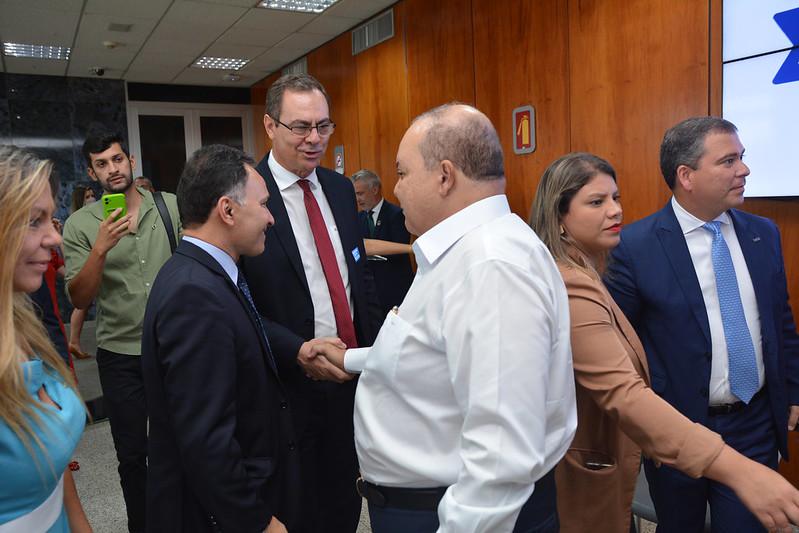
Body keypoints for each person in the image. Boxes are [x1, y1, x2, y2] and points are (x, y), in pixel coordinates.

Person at [315, 103, 577, 532]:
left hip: (451, 512)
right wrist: (349, 359)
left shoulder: (491, 266)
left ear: (445, 176)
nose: (396, 188)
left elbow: (500, 454)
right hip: (423, 503)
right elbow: (431, 348)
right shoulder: (463, 253)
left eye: (402, 173)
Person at [530, 151, 799, 532]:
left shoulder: (591, 270)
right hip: (657, 435)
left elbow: (779, 320)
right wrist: (740, 471)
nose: (615, 210)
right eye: (596, 202)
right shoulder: (577, 281)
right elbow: (623, 391)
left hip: (749, 420)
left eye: (616, 198)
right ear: (559, 217)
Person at [605, 117, 799, 531]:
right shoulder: (635, 248)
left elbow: (780, 321)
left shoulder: (763, 234)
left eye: (741, 157)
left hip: (752, 423)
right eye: (728, 161)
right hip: (678, 427)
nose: (744, 170)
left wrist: (794, 388)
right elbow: (620, 348)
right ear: (686, 176)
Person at [240, 73, 382, 533]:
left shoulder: (340, 189)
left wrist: (376, 351)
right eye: (301, 127)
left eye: (323, 126)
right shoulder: (247, 195)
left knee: (345, 499)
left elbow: (357, 275)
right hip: (286, 386)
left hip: (351, 378)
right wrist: (295, 350)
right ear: (270, 125)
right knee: (297, 509)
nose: (315, 138)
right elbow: (237, 302)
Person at [142, 145, 304, 532]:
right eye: (263, 205)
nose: (271, 218)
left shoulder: (203, 274)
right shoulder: (194, 294)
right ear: (227, 211)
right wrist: (257, 521)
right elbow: (206, 438)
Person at [62, 130, 181, 533]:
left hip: (174, 349)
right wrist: (100, 248)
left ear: (130, 160)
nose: (112, 169)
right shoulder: (80, 225)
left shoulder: (169, 207)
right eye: (101, 164)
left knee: (186, 442)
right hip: (120, 356)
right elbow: (80, 297)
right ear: (91, 172)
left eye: (117, 159)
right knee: (132, 455)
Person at [0, 145, 91, 532]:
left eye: (51, 219)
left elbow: (55, 473)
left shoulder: (22, 322)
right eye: (34, 221)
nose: (55, 237)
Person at [352, 169, 414, 315]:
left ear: (374, 190)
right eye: (355, 194)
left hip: (395, 288)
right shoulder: (358, 218)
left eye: (360, 193)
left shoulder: (396, 214)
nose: (357, 199)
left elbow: (399, 251)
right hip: (371, 292)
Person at [67, 185, 96, 360]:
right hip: (85, 264)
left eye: (92, 195)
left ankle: (74, 341)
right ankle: (74, 341)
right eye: (87, 196)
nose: (91, 199)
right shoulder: (76, 223)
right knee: (81, 304)